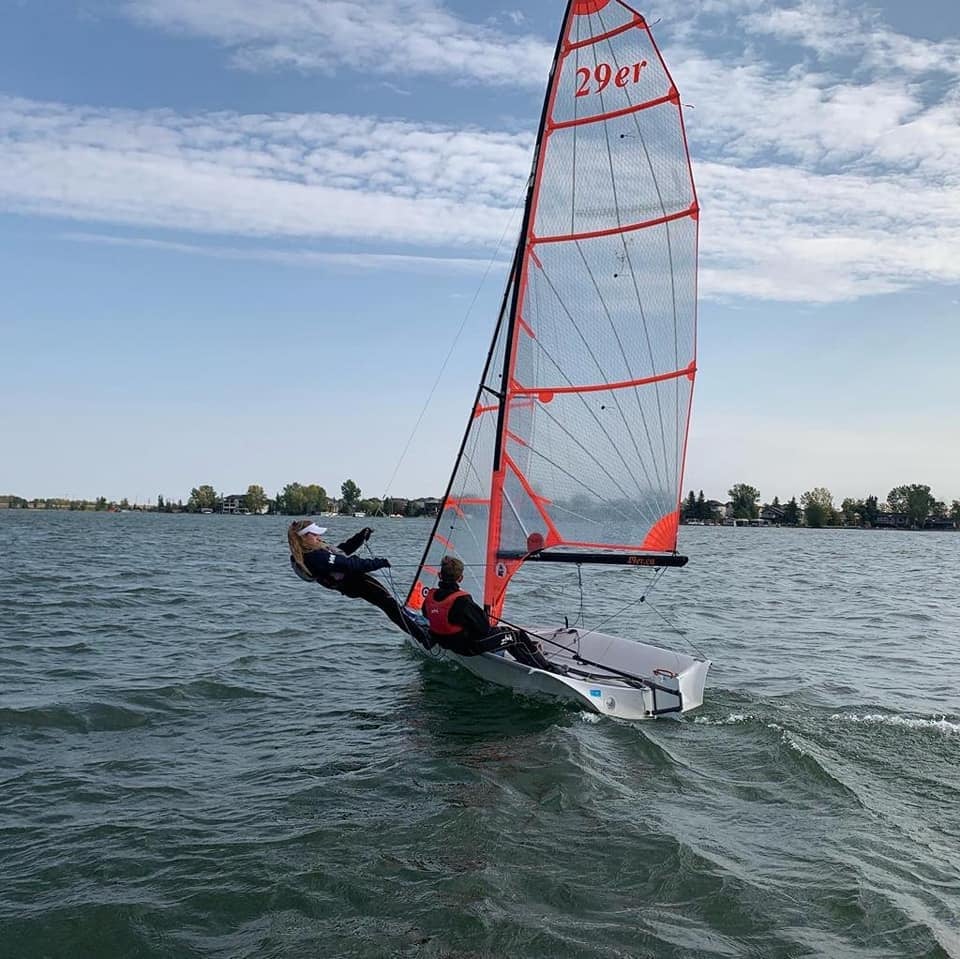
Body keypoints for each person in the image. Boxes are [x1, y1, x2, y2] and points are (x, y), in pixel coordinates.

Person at [422, 555, 561, 672]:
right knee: (517, 636)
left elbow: (427, 615)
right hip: (467, 648)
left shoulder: (431, 597)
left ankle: (528, 659)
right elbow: (484, 629)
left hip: (447, 642)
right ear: (460, 578)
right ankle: (546, 668)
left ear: (439, 575)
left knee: (504, 634)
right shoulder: (462, 600)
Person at [288, 520, 422, 637]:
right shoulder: (315, 558)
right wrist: (378, 563)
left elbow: (342, 551)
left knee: (390, 606)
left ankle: (419, 631)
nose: (319, 537)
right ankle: (424, 638)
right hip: (357, 583)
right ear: (304, 537)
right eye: (315, 534)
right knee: (390, 606)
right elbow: (349, 564)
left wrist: (360, 537)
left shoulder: (312, 552)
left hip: (351, 585)